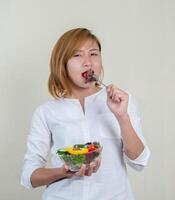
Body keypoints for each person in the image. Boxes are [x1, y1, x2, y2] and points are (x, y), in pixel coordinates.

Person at [21, 28, 150, 200]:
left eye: (94, 54)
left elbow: (139, 161)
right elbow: (29, 176)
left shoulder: (122, 101)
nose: (88, 62)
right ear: (63, 63)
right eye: (77, 55)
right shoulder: (46, 112)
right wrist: (64, 172)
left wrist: (122, 117)